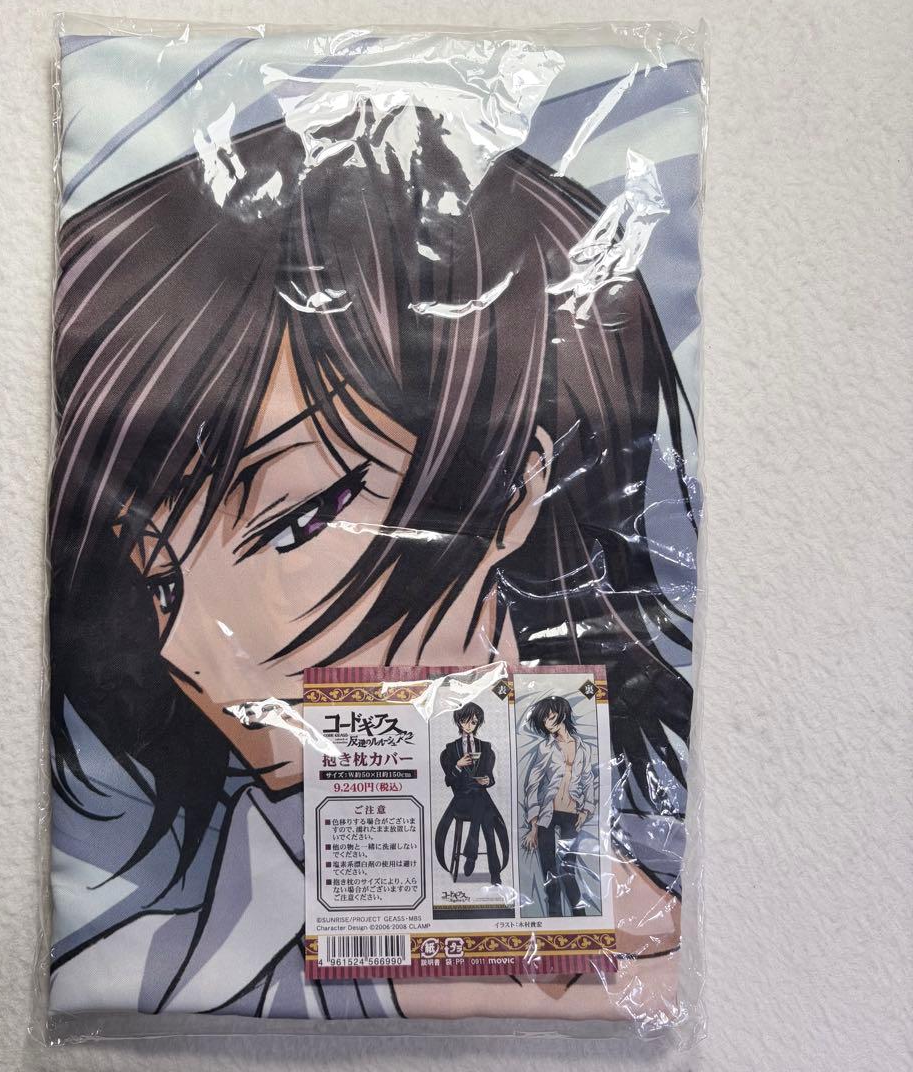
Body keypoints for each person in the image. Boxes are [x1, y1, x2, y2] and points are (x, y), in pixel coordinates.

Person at [47, 108, 695, 1018]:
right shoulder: (156, 976)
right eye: (161, 581)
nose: (192, 651)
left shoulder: (658, 931)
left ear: (514, 489)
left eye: (295, 522)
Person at [521, 696, 598, 916]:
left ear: (562, 714)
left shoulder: (582, 748)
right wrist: (533, 825)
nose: (548, 722)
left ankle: (580, 918)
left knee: (568, 869)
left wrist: (586, 810)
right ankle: (554, 918)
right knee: (549, 871)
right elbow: (532, 784)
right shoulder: (545, 748)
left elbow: (588, 780)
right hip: (548, 813)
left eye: (551, 716)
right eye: (544, 719)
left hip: (572, 814)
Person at [435, 703, 509, 884]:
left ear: (478, 723)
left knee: (485, 816)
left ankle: (472, 853)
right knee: (486, 813)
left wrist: (487, 780)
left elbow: (490, 777)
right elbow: (448, 781)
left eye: (473, 722)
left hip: (480, 796)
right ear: (459, 722)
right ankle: (492, 872)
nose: (469, 725)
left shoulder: (485, 747)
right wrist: (458, 766)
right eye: (465, 721)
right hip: (461, 800)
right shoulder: (450, 749)